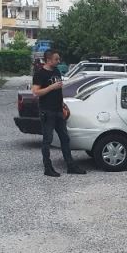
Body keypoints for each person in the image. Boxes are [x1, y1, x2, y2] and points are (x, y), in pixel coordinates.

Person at [32, 49, 86, 177]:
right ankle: (48, 167)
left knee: (65, 138)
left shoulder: (56, 71)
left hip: (58, 110)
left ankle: (70, 165)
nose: (58, 61)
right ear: (49, 60)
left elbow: (59, 91)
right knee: (47, 140)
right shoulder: (40, 74)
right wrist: (51, 87)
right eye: (56, 59)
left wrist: (62, 104)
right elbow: (35, 92)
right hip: (47, 111)